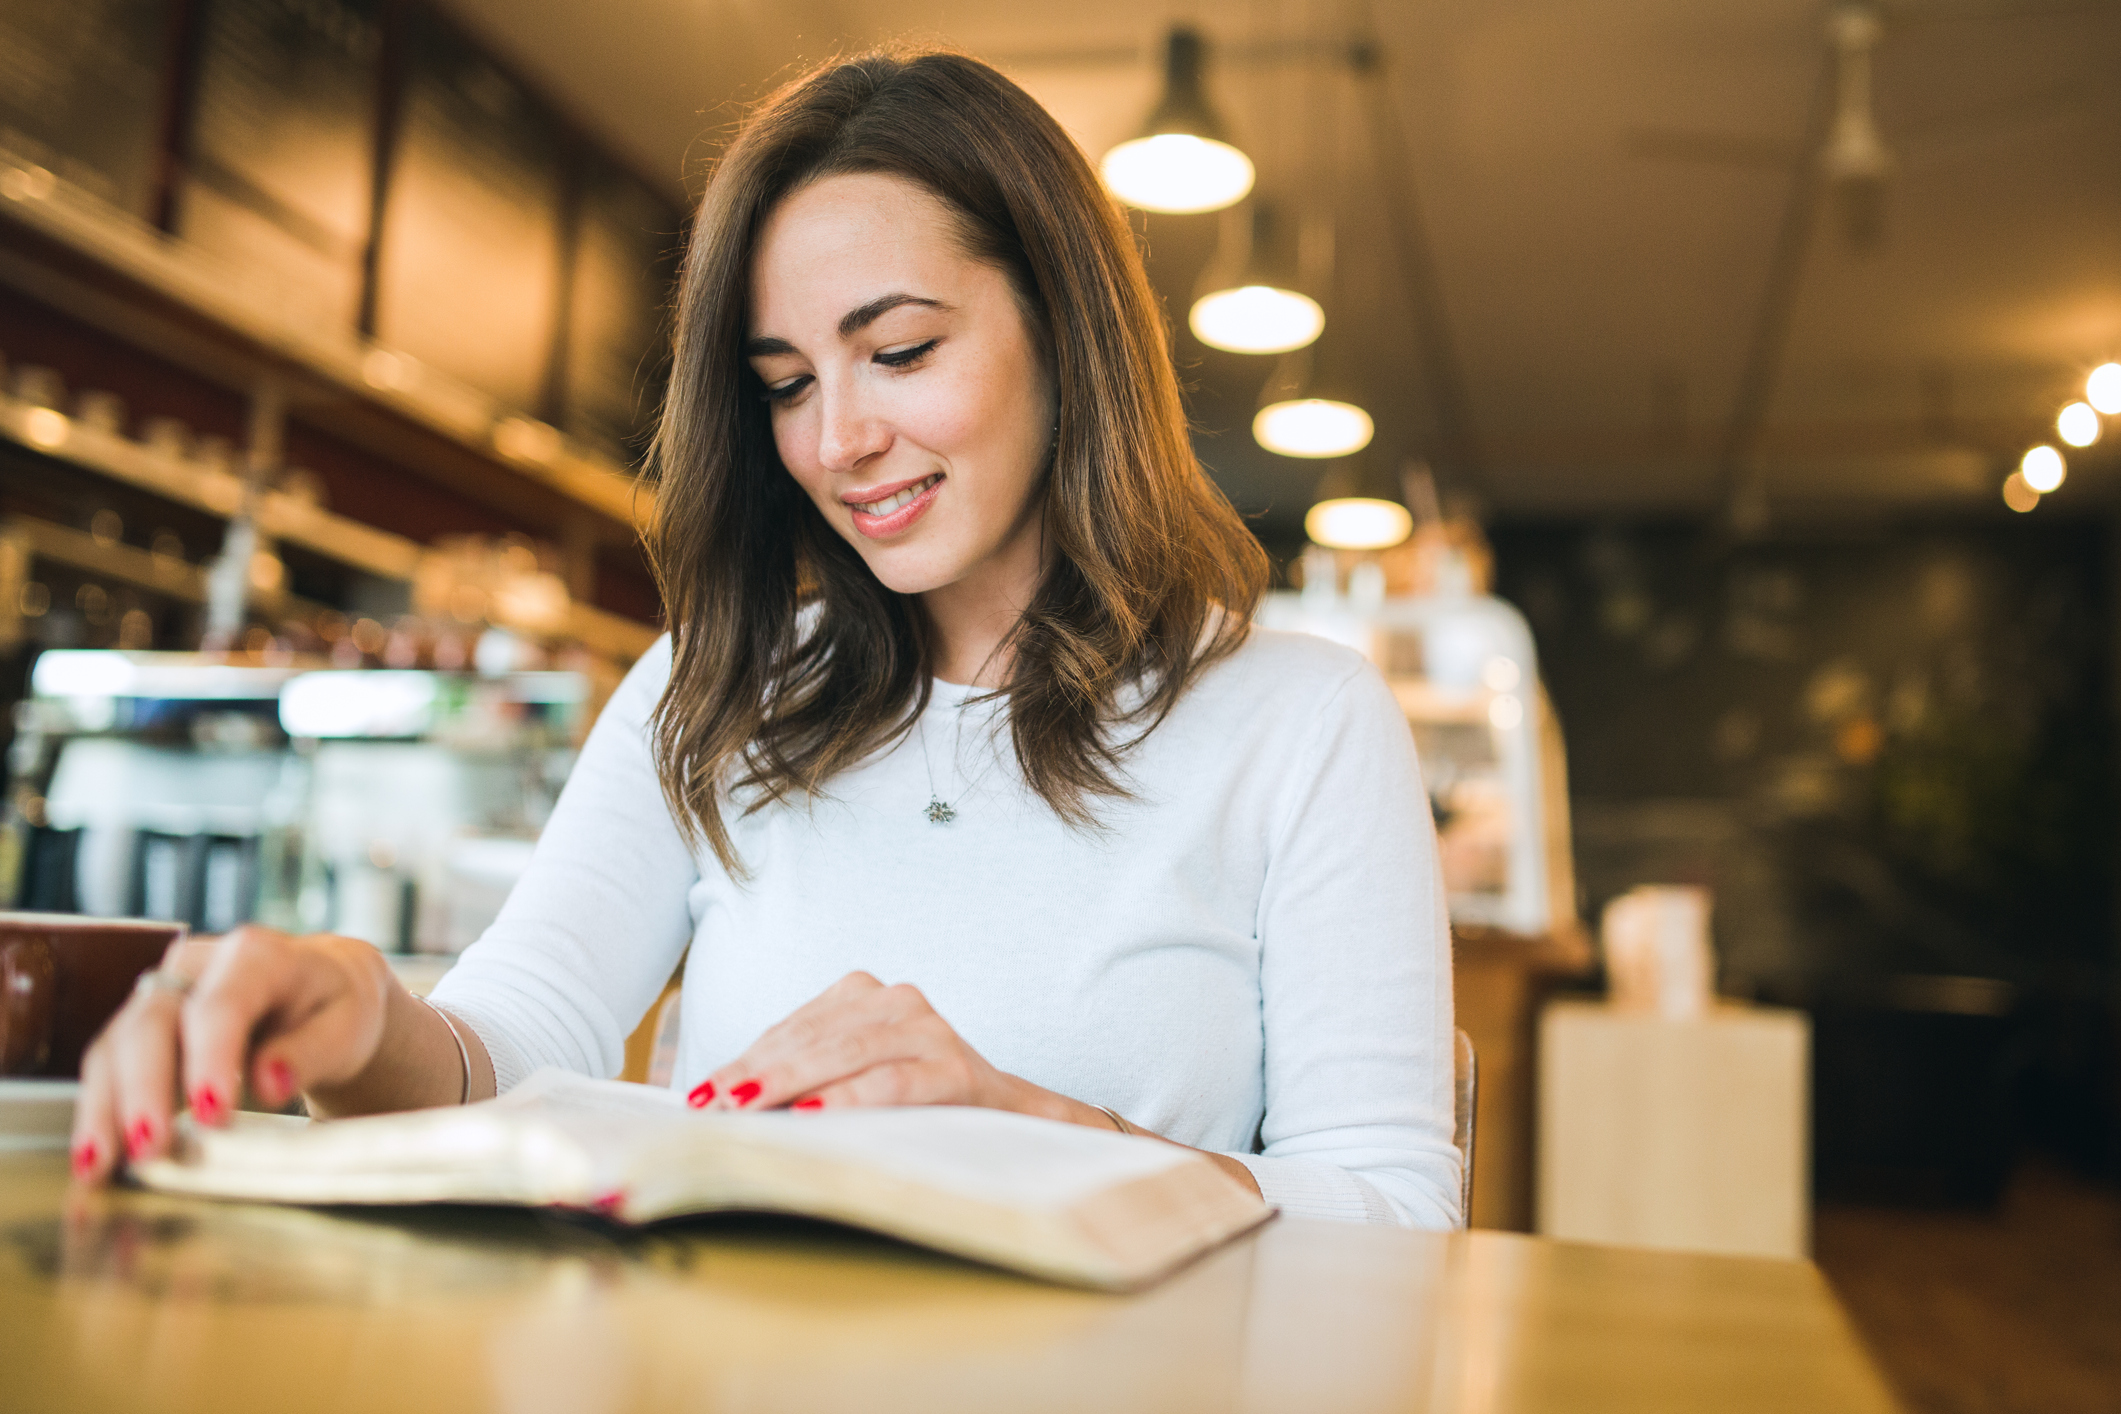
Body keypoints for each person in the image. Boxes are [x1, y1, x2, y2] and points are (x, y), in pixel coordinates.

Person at [70, 49, 1460, 1228]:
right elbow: (518, 1034)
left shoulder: (1302, 721)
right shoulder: (716, 685)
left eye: (900, 352)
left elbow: (1394, 1212)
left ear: (1066, 331)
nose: (837, 439)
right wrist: (360, 1014)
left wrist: (1022, 1124)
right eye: (785, 382)